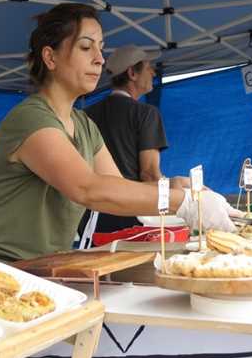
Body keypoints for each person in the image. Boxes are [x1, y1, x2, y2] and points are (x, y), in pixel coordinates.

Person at [0, 3, 238, 262]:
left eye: (101, 49)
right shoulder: (31, 119)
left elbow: (119, 191)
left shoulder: (84, 125)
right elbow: (88, 188)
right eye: (85, 47)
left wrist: (174, 186)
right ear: (50, 57)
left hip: (41, 268)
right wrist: (184, 204)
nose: (100, 60)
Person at [80, 45, 189, 236]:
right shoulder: (146, 113)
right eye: (148, 67)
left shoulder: (85, 115)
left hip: (91, 217)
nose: (154, 72)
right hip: (131, 216)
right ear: (132, 73)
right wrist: (181, 196)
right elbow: (150, 174)